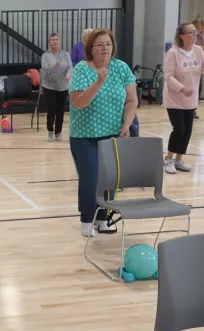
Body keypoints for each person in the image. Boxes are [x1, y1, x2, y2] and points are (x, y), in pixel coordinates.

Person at [69, 28, 138, 238]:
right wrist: (98, 82)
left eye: (107, 44)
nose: (104, 48)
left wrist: (126, 124)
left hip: (112, 134)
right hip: (84, 135)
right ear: (91, 48)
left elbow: (132, 100)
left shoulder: (121, 68)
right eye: (99, 44)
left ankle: (103, 218)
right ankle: (87, 219)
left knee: (110, 178)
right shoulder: (81, 70)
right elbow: (78, 102)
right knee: (90, 178)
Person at [162, 23, 204, 174]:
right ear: (182, 36)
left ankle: (179, 159)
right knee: (179, 129)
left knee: (188, 130)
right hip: (174, 98)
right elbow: (168, 77)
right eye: (191, 33)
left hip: (191, 98)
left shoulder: (198, 50)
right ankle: (168, 159)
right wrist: (182, 88)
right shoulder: (173, 53)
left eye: (196, 33)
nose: (195, 35)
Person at [41, 33, 73, 142]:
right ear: (49, 43)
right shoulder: (46, 56)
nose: (55, 41)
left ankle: (58, 132)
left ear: (59, 41)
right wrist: (55, 66)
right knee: (52, 109)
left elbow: (70, 67)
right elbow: (45, 70)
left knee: (60, 110)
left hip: (63, 86)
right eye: (53, 40)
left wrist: (68, 76)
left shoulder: (66, 54)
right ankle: (50, 131)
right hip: (49, 86)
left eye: (57, 39)